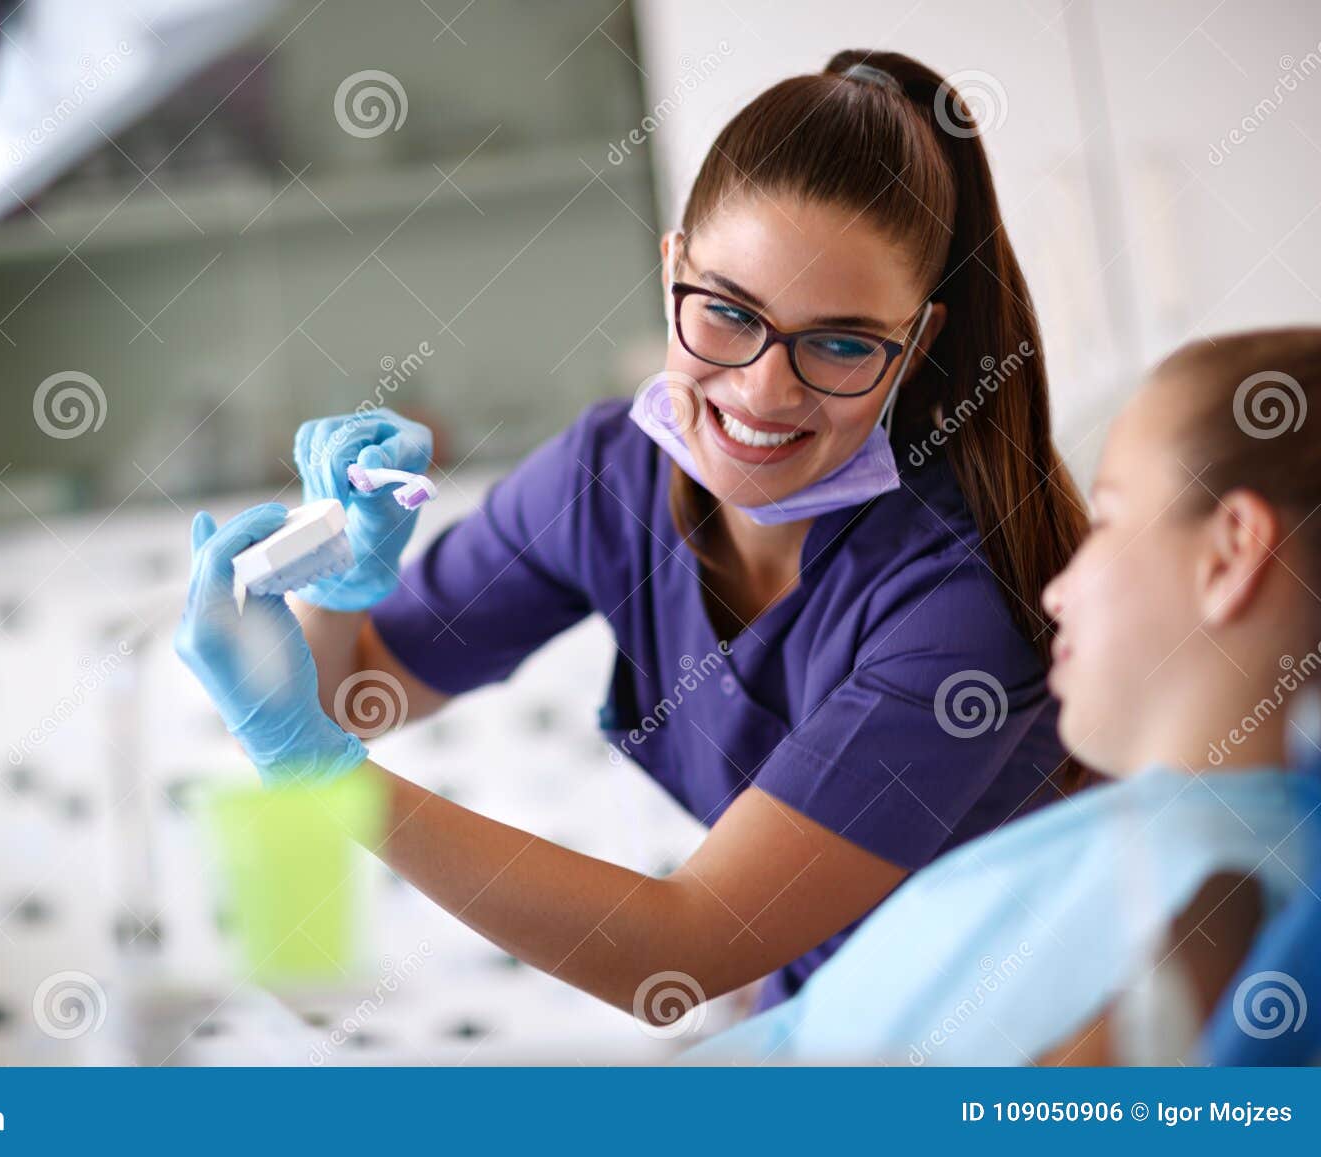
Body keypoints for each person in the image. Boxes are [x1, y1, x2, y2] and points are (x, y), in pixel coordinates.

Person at [174, 50, 1088, 1019]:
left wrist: (323, 775)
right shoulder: (608, 478)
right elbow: (354, 690)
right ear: (671, 274)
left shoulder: (959, 600)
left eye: (842, 341)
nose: (763, 391)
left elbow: (682, 949)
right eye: (730, 314)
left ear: (919, 343)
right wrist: (334, 578)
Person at [685, 327, 1321, 1064]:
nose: (1056, 590)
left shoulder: (1217, 894)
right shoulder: (1192, 846)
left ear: (1230, 553)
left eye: (1106, 519)